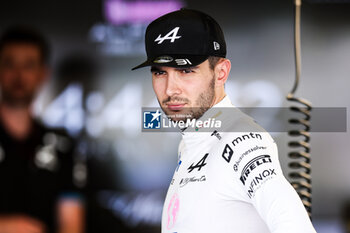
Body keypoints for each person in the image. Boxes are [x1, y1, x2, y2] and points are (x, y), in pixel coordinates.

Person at [132, 9, 316, 233]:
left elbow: (295, 225)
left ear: (220, 73)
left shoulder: (241, 139)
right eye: (160, 72)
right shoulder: (195, 137)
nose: (170, 89)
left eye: (186, 70)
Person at [0, 26, 84, 233]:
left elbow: (71, 223)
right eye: (10, 64)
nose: (19, 75)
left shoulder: (62, 145)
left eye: (28, 65)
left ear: (43, 73)